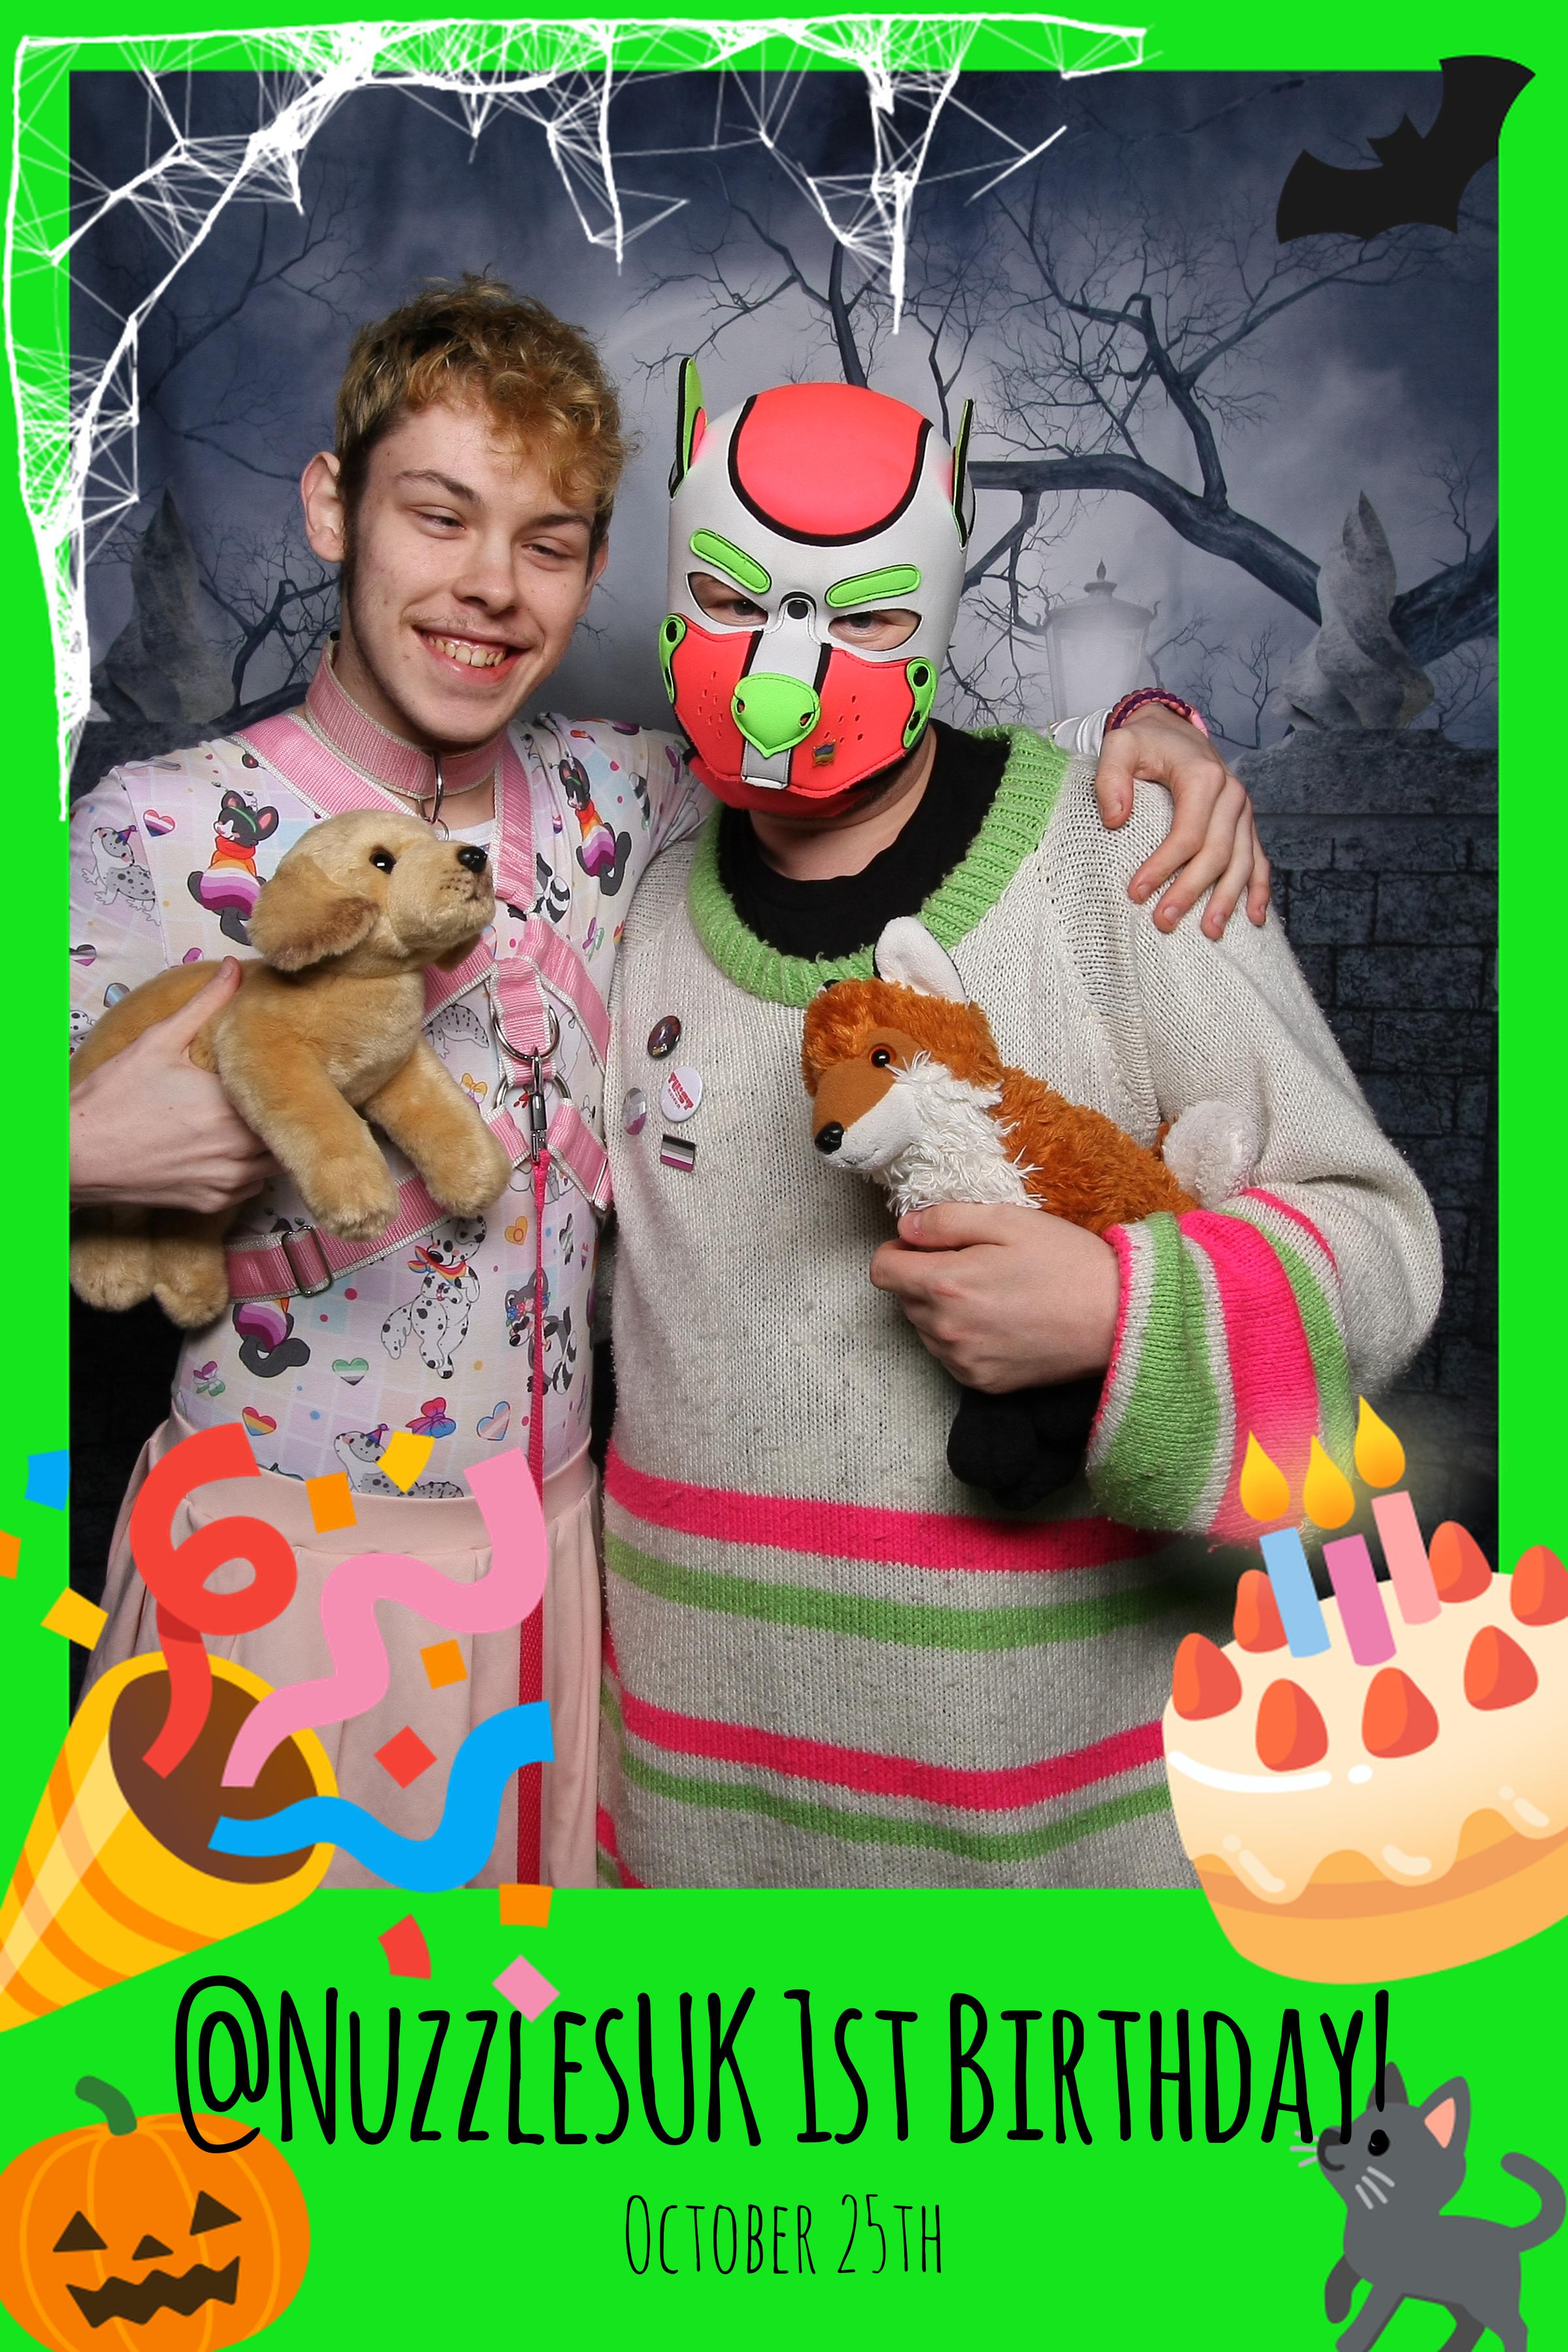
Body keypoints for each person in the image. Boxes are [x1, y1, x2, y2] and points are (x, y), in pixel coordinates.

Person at [69, 284, 1269, 1892]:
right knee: (275, 2046)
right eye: (439, 515)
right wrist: (58, 1150)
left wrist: (1151, 727)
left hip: (566, 1575)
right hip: (273, 1572)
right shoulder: (151, 833)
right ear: (333, 507)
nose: (490, 586)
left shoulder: (620, 793)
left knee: (535, 2039)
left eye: (550, 542)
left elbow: (903, 759)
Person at [594, 370, 1444, 1890]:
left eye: (864, 619)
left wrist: (1124, 1308)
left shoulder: (1123, 851)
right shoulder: (644, 886)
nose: (784, 675)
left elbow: (1382, 1247)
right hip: (694, 1828)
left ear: (939, 603)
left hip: (1040, 1850)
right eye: (727, 600)